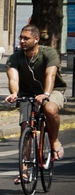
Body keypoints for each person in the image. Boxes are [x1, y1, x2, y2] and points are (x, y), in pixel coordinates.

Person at [4, 24, 67, 183]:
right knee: (26, 126)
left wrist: (46, 94)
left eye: (26, 38)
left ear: (36, 39)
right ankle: (24, 171)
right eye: (21, 38)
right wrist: (14, 94)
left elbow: (50, 75)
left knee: (50, 109)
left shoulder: (49, 53)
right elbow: (13, 78)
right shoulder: (15, 58)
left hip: (52, 91)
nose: (22, 41)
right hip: (27, 94)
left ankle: (54, 141)